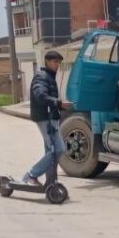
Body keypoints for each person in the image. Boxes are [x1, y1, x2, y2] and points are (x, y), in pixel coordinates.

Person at [22, 51, 70, 186]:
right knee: (59, 149)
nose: (57, 65)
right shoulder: (41, 77)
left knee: (51, 151)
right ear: (47, 62)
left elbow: (48, 99)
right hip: (45, 118)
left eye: (59, 63)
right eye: (55, 62)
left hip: (51, 117)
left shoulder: (49, 76)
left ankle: (50, 182)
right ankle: (31, 175)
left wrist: (60, 106)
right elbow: (40, 96)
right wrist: (59, 103)